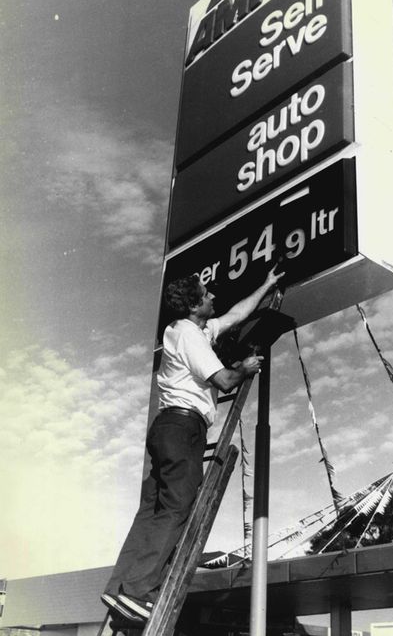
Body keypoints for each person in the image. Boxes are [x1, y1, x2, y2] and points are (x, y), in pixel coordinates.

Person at [101, 265, 283, 622]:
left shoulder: (190, 328)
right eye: (207, 293)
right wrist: (244, 367)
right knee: (177, 507)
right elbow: (226, 380)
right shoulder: (190, 335)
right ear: (193, 305)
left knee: (152, 510)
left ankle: (119, 588)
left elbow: (235, 315)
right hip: (184, 428)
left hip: (167, 427)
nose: (214, 295)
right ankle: (139, 592)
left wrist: (266, 284)